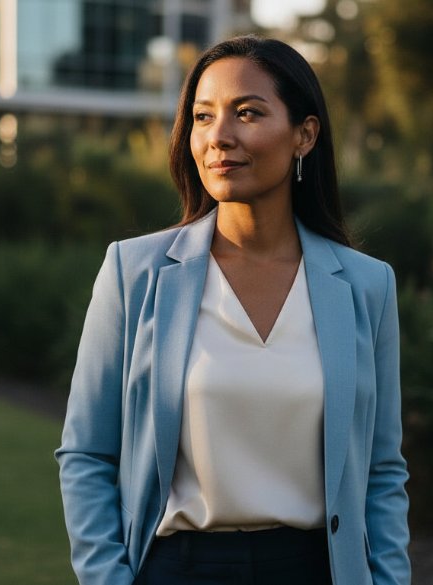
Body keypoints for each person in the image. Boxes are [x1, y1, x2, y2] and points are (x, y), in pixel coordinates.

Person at [56, 35, 410, 585]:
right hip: (178, 569)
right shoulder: (135, 273)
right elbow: (86, 454)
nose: (219, 137)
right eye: (203, 116)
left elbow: (382, 471)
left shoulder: (366, 285)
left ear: (304, 135)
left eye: (247, 113)